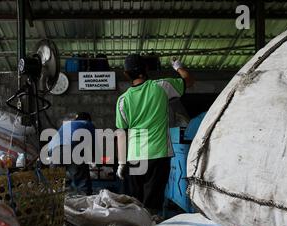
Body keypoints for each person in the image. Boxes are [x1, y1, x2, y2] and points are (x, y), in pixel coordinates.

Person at [115, 54, 194, 213]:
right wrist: (177, 65)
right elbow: (189, 80)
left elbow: (121, 134)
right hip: (158, 154)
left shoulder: (122, 100)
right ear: (145, 69)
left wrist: (122, 163)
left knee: (135, 203)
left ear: (126, 74)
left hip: (135, 155)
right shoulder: (163, 86)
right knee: (152, 204)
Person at [48, 112, 96, 195]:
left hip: (53, 150)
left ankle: (54, 205)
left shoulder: (67, 124)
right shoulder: (88, 124)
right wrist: (95, 160)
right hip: (72, 148)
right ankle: (86, 202)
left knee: (55, 184)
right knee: (82, 182)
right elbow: (93, 144)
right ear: (88, 119)